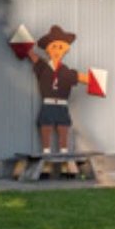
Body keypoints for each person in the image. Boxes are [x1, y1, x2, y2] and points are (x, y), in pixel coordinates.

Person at [28, 25, 89, 156]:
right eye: (53, 47)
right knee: (45, 126)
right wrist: (23, 44)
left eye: (60, 47)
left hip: (62, 104)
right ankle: (45, 153)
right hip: (48, 103)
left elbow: (81, 77)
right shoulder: (43, 67)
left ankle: (64, 152)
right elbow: (32, 56)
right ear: (48, 49)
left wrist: (94, 80)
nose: (57, 51)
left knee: (63, 127)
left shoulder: (66, 71)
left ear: (65, 50)